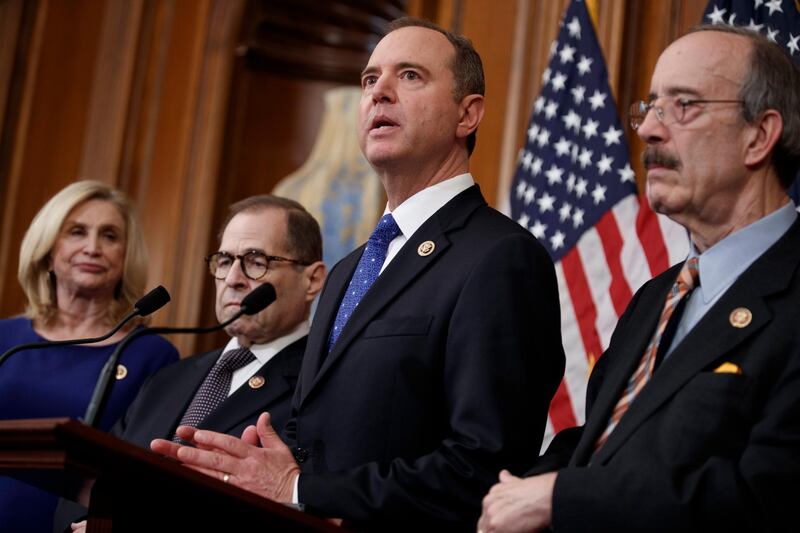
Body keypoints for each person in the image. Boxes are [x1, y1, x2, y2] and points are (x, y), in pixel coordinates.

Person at [151, 17, 565, 531]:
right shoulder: (351, 269)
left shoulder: (500, 258)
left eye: (409, 76)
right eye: (370, 79)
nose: (379, 93)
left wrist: (300, 488)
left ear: (468, 114)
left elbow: (483, 467)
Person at [478, 24, 800, 533]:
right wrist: (515, 497)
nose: (648, 129)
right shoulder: (660, 295)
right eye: (649, 107)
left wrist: (562, 498)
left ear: (759, 135)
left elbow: (765, 497)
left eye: (684, 105)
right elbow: (600, 440)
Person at [58, 194, 327, 532]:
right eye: (225, 261)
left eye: (256, 261)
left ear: (312, 280)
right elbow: (93, 478)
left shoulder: (324, 383)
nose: (233, 278)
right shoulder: (170, 378)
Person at [0, 180, 179, 532]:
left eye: (110, 236)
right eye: (77, 232)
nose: (93, 247)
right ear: (48, 250)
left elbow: (149, 470)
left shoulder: (151, 355)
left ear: (126, 257)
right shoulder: (4, 337)